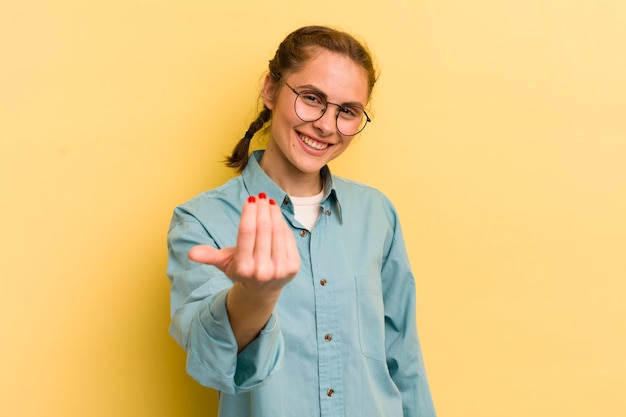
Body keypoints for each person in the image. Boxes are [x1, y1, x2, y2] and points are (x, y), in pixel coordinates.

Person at [166, 25, 436, 417]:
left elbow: (404, 360)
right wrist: (254, 295)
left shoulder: (378, 214)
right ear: (271, 89)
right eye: (312, 98)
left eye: (347, 112)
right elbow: (209, 361)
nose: (326, 125)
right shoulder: (200, 221)